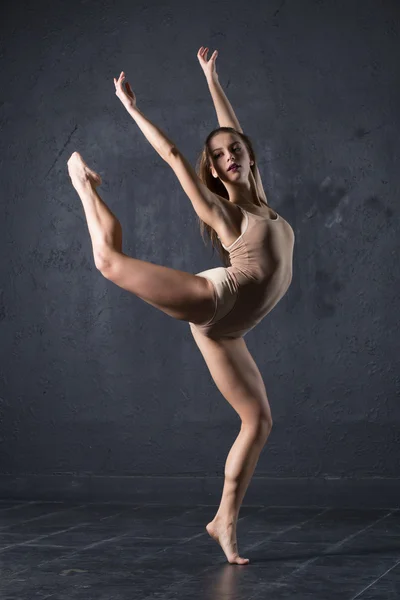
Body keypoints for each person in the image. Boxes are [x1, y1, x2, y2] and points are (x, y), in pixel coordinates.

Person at [67, 46, 295, 565]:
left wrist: (212, 80)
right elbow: (175, 156)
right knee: (107, 260)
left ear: (249, 154)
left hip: (226, 333)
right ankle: (83, 182)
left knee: (257, 422)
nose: (226, 157)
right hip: (216, 300)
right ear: (213, 174)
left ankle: (224, 523)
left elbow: (231, 131)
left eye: (233, 150)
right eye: (216, 157)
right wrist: (131, 108)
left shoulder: (264, 200)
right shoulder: (228, 214)